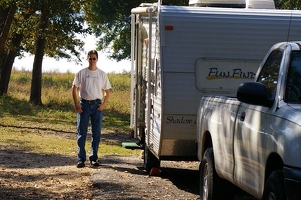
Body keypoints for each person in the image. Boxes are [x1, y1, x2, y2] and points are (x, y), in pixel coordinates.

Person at [72, 50, 111, 168]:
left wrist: (103, 105)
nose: (92, 60)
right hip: (84, 105)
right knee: (82, 133)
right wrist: (76, 105)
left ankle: (94, 158)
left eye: (94, 58)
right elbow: (74, 88)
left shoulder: (102, 74)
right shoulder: (81, 73)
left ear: (97, 59)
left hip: (96, 106)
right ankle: (81, 159)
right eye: (90, 58)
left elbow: (107, 91)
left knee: (96, 133)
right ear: (87, 59)